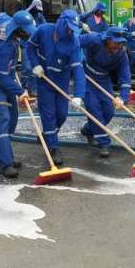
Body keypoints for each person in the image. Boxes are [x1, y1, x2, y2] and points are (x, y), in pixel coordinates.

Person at [26, 9, 86, 166]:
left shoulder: (73, 42)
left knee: (62, 114)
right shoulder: (43, 30)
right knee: (48, 114)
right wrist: (35, 65)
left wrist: (78, 95)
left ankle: (48, 135)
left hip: (61, 81)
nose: (70, 32)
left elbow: (78, 70)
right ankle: (53, 147)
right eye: (68, 28)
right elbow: (30, 47)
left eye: (73, 30)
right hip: (44, 78)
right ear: (61, 22)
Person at [0, 10, 36, 178]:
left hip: (8, 82)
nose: (28, 33)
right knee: (3, 121)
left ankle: (2, 156)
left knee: (13, 118)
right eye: (26, 30)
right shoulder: (4, 44)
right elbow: (0, 74)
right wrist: (20, 90)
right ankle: (6, 164)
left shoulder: (14, 38)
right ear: (18, 29)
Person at [79, 27, 131, 157]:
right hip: (86, 78)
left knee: (108, 112)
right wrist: (75, 60)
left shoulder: (121, 54)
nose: (118, 46)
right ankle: (103, 143)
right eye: (115, 42)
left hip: (103, 80)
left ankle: (87, 130)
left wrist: (123, 97)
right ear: (107, 40)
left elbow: (125, 76)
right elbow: (73, 42)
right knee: (94, 109)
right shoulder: (94, 39)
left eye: (121, 43)